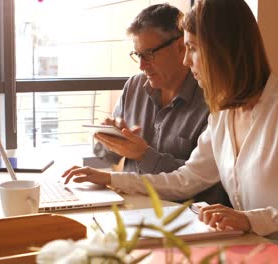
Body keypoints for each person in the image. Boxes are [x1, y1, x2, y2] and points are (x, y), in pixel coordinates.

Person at [62, 0, 278, 262]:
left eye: (192, 48)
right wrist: (113, 179)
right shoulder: (223, 112)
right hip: (257, 247)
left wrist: (248, 220)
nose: (185, 60)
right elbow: (187, 179)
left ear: (222, 50)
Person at [79, 4, 229, 205]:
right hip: (132, 210)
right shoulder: (134, 87)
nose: (141, 65)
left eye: (148, 54)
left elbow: (195, 181)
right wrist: (110, 139)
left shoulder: (214, 101)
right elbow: (104, 157)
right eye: (138, 55)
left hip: (186, 219)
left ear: (180, 47)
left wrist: (142, 154)